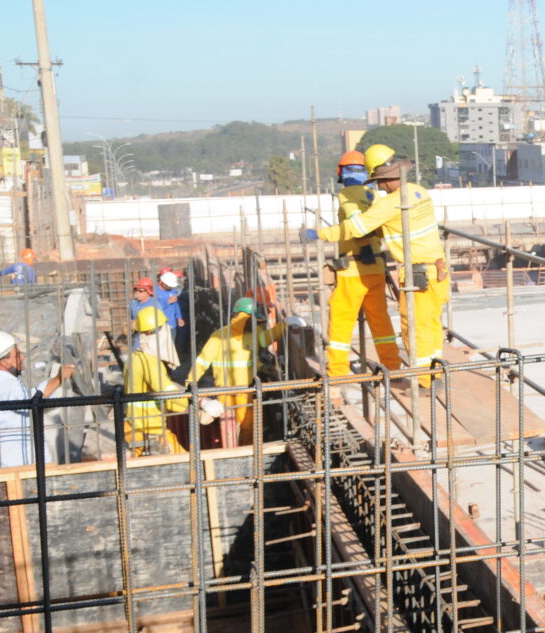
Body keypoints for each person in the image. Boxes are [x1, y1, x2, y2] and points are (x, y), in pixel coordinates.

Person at [307, 145, 450, 388]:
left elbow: (356, 227)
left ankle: (426, 380)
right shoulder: (418, 191)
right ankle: (409, 370)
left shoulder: (383, 203)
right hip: (437, 269)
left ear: (384, 178)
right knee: (422, 324)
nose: (377, 187)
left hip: (404, 272)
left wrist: (319, 233)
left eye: (379, 181)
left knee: (413, 327)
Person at [318, 149, 403, 378]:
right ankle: (393, 367)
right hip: (376, 267)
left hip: (352, 270)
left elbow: (356, 222)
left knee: (341, 323)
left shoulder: (347, 194)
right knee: (381, 322)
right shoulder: (374, 195)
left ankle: (337, 374)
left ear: (340, 172)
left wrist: (320, 234)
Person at [186, 297, 287, 445]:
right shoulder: (219, 337)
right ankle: (231, 456)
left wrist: (285, 325)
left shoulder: (253, 334)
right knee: (228, 429)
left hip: (246, 391)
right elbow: (201, 362)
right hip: (225, 392)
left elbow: (267, 339)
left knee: (250, 427)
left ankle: (248, 455)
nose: (257, 325)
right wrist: (190, 384)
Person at [0, 330, 73, 467]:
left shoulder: (3, 382)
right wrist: (58, 379)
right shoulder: (5, 383)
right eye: (17, 355)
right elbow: (32, 401)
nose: (22, 358)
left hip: (14, 459)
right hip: (18, 461)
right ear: (4, 362)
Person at [123, 306, 190, 455]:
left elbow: (162, 385)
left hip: (135, 427)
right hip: (150, 430)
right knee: (189, 466)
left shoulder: (134, 357)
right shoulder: (150, 361)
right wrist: (195, 403)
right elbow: (164, 390)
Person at [128, 279, 164, 350]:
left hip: (151, 338)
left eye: (141, 291)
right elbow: (131, 318)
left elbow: (160, 324)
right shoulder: (133, 304)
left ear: (148, 292)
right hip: (137, 337)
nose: (137, 293)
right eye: (136, 290)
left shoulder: (154, 304)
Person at [155, 268, 187, 340]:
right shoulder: (155, 292)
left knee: (171, 345)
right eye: (168, 285)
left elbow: (176, 304)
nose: (170, 287)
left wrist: (179, 317)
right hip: (160, 325)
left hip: (172, 324)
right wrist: (168, 302)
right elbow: (155, 308)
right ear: (162, 282)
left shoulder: (172, 291)